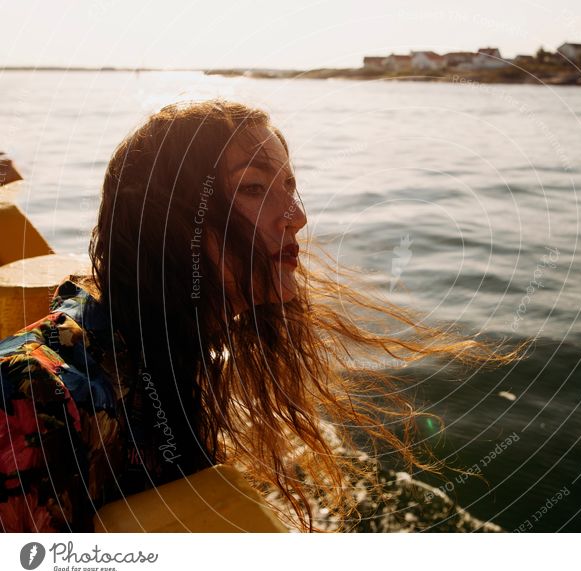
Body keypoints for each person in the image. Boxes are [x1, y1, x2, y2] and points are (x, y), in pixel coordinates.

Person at [0, 99, 525, 533]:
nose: (297, 216)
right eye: (253, 188)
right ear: (166, 219)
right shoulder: (32, 393)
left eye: (290, 189)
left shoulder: (185, 345)